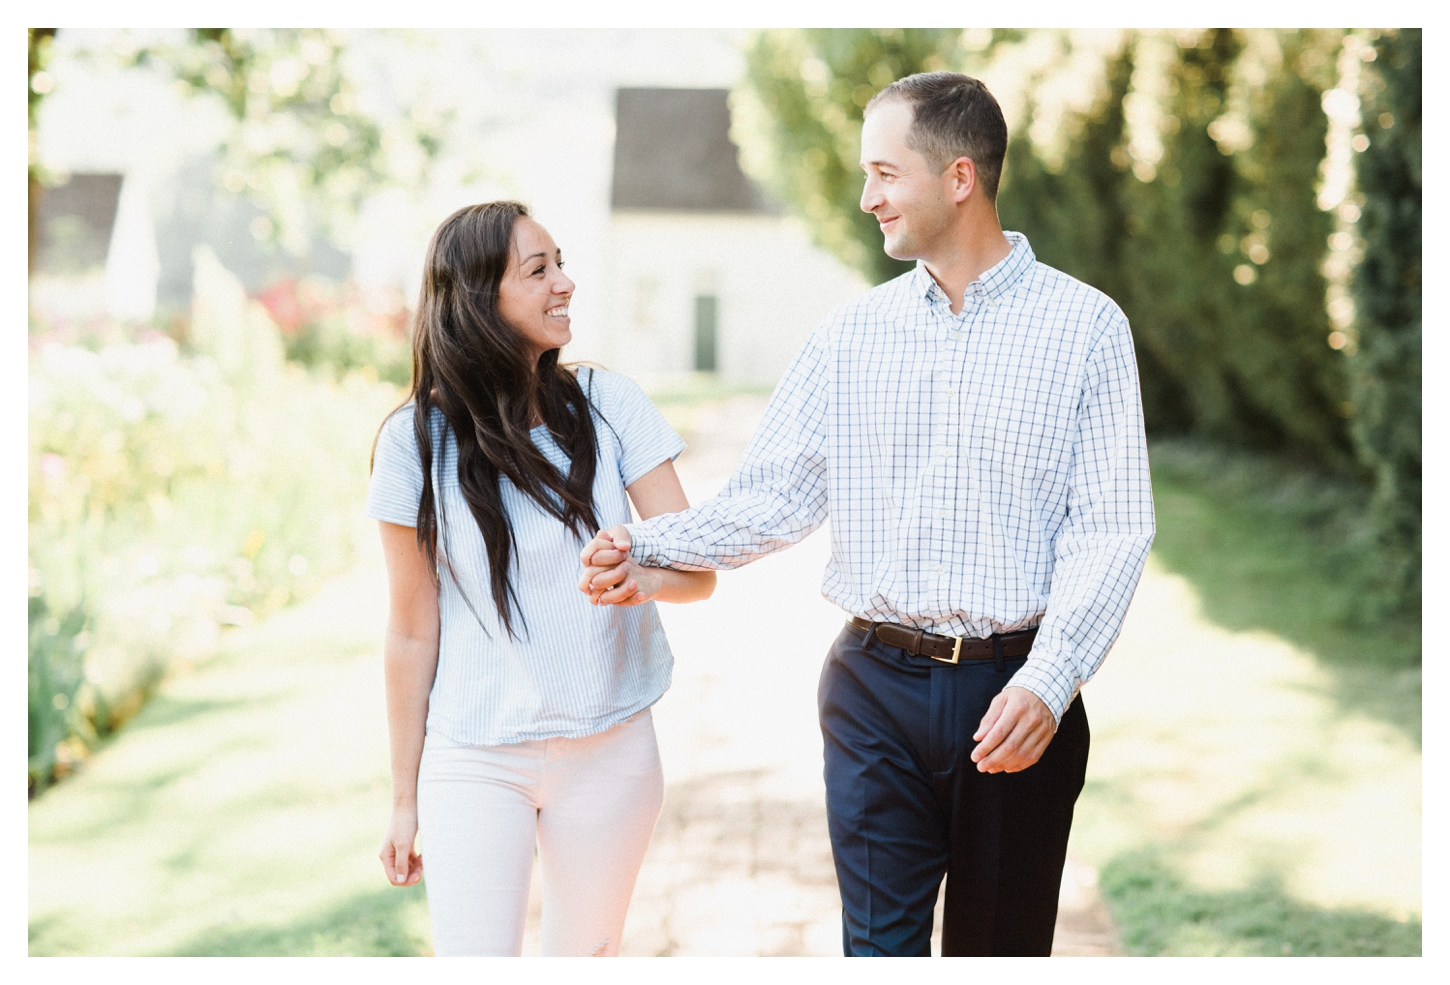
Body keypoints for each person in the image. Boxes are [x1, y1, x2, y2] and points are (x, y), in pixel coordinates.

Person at [580, 73, 1154, 956]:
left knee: (998, 955)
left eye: (884, 173)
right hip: (872, 691)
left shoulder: (1086, 329)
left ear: (959, 177)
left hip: (1013, 693)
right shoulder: (850, 336)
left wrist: (1051, 678)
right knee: (875, 952)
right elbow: (771, 498)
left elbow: (1110, 528)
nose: (865, 197)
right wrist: (641, 540)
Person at [367, 200, 714, 957]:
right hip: (474, 756)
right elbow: (409, 628)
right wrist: (403, 799)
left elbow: (697, 568)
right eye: (539, 269)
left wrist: (643, 575)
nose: (565, 283)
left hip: (611, 749)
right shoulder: (414, 444)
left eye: (561, 262)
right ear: (477, 298)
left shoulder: (611, 406)